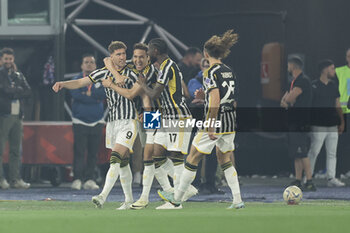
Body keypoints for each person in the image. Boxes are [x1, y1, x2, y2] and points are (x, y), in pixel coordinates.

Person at [158, 30, 245, 209]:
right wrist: (204, 96)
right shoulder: (229, 71)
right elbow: (225, 97)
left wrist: (211, 125)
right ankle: (237, 200)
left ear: (206, 54)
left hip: (215, 120)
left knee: (192, 157)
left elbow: (215, 100)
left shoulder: (209, 72)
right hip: (229, 121)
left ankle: (176, 200)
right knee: (224, 159)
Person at [53, 41, 138, 210]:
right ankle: (129, 200)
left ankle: (102, 196)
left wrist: (112, 80)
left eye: (124, 54)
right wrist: (63, 83)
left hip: (129, 121)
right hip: (113, 123)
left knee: (116, 158)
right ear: (112, 56)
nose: (122, 57)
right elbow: (80, 83)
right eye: (118, 54)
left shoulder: (132, 73)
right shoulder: (103, 72)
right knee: (123, 163)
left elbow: (130, 93)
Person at [137, 38, 196, 209]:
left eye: (146, 52)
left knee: (174, 156)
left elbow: (153, 94)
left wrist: (141, 85)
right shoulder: (157, 68)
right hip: (159, 116)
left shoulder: (165, 67)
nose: (142, 56)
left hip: (172, 116)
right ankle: (178, 190)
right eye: (137, 55)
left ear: (154, 52)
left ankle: (174, 199)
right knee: (154, 155)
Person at [69, 54, 106, 190]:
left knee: (93, 152)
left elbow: (104, 94)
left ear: (95, 66)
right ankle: (77, 179)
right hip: (79, 121)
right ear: (82, 65)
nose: (89, 64)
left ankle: (90, 179)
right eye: (86, 62)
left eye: (91, 62)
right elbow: (76, 95)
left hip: (97, 121)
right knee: (79, 151)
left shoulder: (102, 80)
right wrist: (93, 97)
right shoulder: (76, 79)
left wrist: (87, 95)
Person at [281, 56, 316, 191]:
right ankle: (298, 179)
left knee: (303, 152)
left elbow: (288, 98)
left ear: (293, 66)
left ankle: (310, 181)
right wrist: (287, 100)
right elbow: (285, 100)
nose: (287, 68)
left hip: (300, 121)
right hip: (295, 120)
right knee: (296, 152)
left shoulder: (302, 81)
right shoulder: (296, 81)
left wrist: (288, 99)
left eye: (289, 65)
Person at [308, 60, 345, 187]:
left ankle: (331, 178)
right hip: (318, 125)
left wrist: (341, 121)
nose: (334, 71)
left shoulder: (333, 85)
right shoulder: (314, 85)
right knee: (314, 151)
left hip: (332, 125)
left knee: (332, 153)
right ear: (324, 70)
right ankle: (308, 177)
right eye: (332, 68)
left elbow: (337, 104)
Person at [0, 47, 31, 189]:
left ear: (13, 59)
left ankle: (15, 179)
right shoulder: (0, 74)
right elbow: (5, 90)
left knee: (15, 150)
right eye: (6, 58)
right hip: (3, 115)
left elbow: (28, 91)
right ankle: (1, 180)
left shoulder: (18, 74)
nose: (8, 61)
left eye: (10, 59)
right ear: (1, 60)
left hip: (17, 115)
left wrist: (15, 91)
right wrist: (18, 91)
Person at [335, 48, 350, 177]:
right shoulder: (339, 72)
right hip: (343, 113)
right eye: (349, 56)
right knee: (342, 144)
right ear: (346, 57)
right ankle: (340, 171)